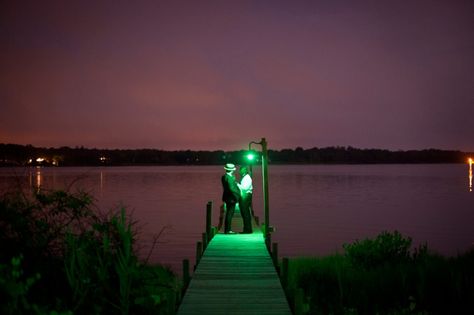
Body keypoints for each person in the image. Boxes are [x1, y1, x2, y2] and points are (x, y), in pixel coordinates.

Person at [221, 163, 240, 234]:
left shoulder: (224, 176)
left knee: (228, 213)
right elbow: (231, 188)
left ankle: (227, 229)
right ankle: (228, 230)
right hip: (231, 198)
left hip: (226, 197)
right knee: (230, 214)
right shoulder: (229, 177)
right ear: (232, 170)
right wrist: (237, 196)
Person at [238, 166, 253, 233]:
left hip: (246, 196)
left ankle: (247, 230)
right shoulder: (246, 177)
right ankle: (247, 229)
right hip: (246, 196)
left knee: (245, 213)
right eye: (240, 170)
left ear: (245, 171)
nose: (240, 172)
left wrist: (237, 184)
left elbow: (245, 188)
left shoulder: (247, 178)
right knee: (245, 213)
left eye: (241, 170)